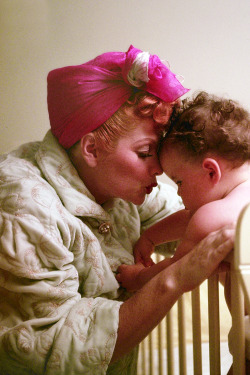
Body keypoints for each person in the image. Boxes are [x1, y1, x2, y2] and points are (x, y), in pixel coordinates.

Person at [0, 46, 234, 375]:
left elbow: (196, 212)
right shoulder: (23, 207)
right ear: (92, 148)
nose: (160, 169)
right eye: (145, 153)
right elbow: (46, 344)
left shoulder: (119, 185)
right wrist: (174, 278)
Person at [116, 91, 250, 292]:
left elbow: (178, 271)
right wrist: (150, 237)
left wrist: (138, 278)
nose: (178, 192)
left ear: (211, 172)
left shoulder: (211, 216)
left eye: (179, 182)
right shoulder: (231, 207)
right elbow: (189, 219)